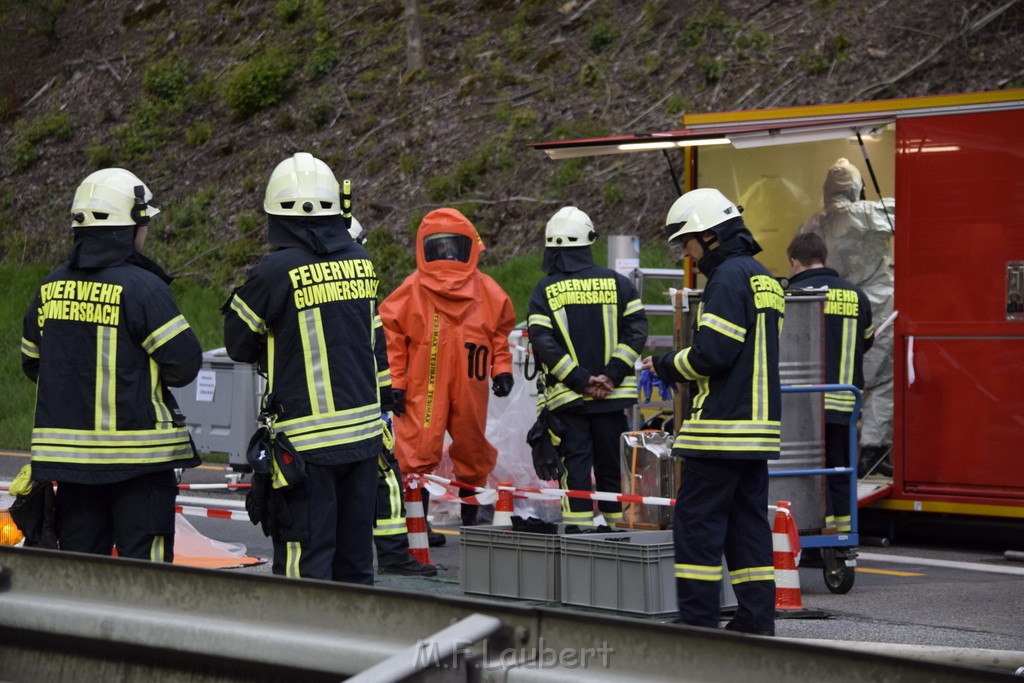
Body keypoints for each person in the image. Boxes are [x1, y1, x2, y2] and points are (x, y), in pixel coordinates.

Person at [223, 153, 391, 585]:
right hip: (364, 440)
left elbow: (238, 344)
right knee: (355, 562)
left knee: (306, 564)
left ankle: (302, 648)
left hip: (305, 449)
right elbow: (374, 341)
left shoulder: (275, 270)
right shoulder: (361, 262)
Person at [20, 168, 202, 561]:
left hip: (71, 469)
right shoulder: (144, 290)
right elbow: (184, 365)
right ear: (128, 227)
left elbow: (33, 363)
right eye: (144, 223)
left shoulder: (49, 289)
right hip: (141, 466)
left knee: (82, 577)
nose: (147, 232)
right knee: (145, 581)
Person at [642, 188, 782, 636]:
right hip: (758, 432)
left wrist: (664, 364)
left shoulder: (725, 279)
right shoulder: (764, 277)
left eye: (688, 240)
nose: (685, 250)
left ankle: (698, 625)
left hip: (720, 428)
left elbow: (713, 354)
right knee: (747, 527)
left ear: (711, 237)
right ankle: (755, 620)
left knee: (698, 528)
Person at [379, 208, 516, 529]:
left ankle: (470, 522)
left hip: (470, 380)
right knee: (417, 453)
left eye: (452, 246)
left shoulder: (486, 290)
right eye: (439, 247)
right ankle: (418, 527)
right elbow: (392, 337)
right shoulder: (412, 289)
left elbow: (498, 332)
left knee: (472, 450)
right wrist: (395, 383)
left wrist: (503, 369)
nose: (447, 254)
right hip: (423, 384)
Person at [527, 206, 648, 528]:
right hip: (613, 399)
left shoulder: (545, 290)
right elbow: (636, 330)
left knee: (576, 470)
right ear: (588, 241)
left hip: (571, 402)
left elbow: (543, 342)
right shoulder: (619, 284)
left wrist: (582, 381)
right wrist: (612, 375)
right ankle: (614, 533)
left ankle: (579, 534)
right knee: (611, 469)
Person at [347, 217, 436, 576]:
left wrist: (388, 393)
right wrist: (386, 396)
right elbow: (378, 348)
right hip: (357, 406)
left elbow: (381, 347)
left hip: (330, 411)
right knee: (385, 478)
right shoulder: (355, 287)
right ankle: (392, 554)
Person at [800, 158, 894, 476]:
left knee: (832, 383)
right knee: (882, 381)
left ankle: (824, 451)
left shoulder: (814, 223)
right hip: (876, 308)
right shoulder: (872, 212)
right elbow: (914, 212)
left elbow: (798, 256)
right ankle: (872, 451)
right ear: (857, 188)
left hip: (829, 310)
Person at [786, 232, 873, 539]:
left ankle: (805, 530)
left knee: (802, 473)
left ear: (795, 262)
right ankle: (843, 540)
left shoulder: (791, 293)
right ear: (824, 259)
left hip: (801, 405)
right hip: (844, 403)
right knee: (840, 470)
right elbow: (867, 341)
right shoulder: (856, 295)